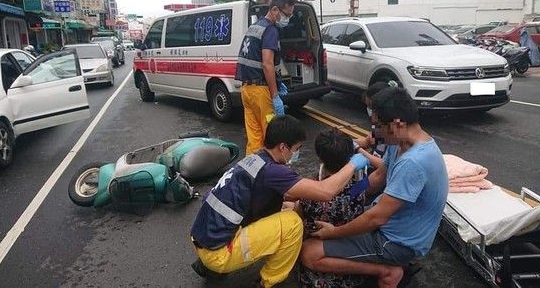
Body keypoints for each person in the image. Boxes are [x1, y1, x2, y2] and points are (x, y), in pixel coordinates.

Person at [189, 115, 371, 288]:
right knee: (292, 223)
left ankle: (210, 267)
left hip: (203, 238)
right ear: (283, 147)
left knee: (281, 208)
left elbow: (285, 194)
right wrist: (353, 164)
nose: (297, 153)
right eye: (297, 148)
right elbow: (326, 192)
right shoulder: (273, 172)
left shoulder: (255, 159)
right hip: (218, 253)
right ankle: (267, 282)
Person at [299, 87, 449, 288]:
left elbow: (377, 216)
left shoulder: (414, 162)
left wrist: (334, 232)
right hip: (387, 226)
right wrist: (346, 193)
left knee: (309, 252)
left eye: (378, 126)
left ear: (396, 124)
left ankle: (387, 271)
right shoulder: (400, 142)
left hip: (395, 243)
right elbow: (378, 177)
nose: (375, 133)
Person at [297, 128, 367, 287]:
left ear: (320, 156)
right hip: (348, 253)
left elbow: (300, 222)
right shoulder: (360, 185)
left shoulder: (311, 190)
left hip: (314, 268)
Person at [235, 0, 297, 155]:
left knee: (255, 138)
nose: (288, 19)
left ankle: (252, 173)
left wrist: (276, 80)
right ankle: (273, 176)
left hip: (247, 91)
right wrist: (275, 94)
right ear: (275, 9)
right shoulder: (271, 30)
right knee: (272, 138)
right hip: (262, 94)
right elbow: (267, 63)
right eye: (287, 14)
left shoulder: (255, 27)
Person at [353, 80, 399, 170]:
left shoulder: (397, 133)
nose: (370, 111)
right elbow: (367, 142)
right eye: (368, 107)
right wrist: (346, 141)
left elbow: (385, 166)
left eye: (371, 107)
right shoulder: (380, 126)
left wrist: (358, 150)